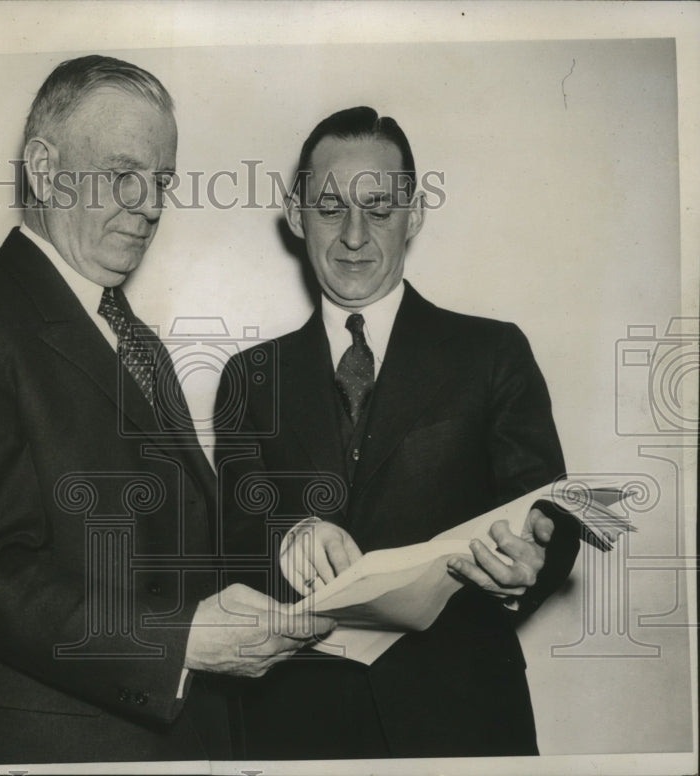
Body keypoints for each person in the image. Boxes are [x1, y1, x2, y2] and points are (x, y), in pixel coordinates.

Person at [0, 55, 333, 766]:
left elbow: (184, 543)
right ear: (44, 167)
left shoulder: (135, 338)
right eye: (123, 174)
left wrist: (292, 548)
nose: (150, 205)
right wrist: (179, 642)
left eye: (160, 182)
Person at [215, 106, 581, 759]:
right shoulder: (250, 376)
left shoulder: (492, 353)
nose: (354, 235)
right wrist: (290, 534)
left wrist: (537, 559)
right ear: (296, 217)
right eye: (330, 208)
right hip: (294, 728)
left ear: (413, 216)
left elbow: (552, 508)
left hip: (464, 722)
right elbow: (232, 527)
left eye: (379, 210)